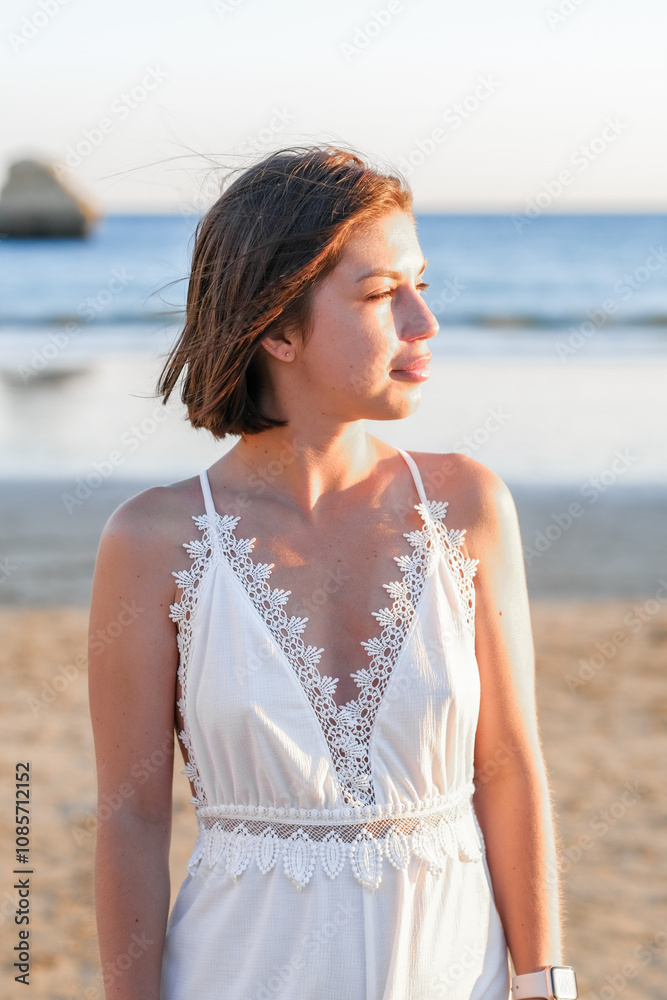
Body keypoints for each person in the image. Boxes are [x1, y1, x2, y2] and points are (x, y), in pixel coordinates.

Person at [88, 144, 571, 1000]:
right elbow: (131, 816)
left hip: (458, 972)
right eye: (383, 295)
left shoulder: (466, 505)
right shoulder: (154, 540)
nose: (424, 322)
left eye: (422, 284)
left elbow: (510, 765)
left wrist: (545, 983)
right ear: (276, 326)